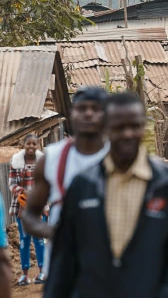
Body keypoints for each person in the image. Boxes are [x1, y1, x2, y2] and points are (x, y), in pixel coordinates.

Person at [45, 93, 168, 298]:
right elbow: (64, 256)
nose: (127, 134)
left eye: (134, 126)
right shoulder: (84, 185)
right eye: (119, 127)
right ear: (106, 128)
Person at [23, 87, 111, 277]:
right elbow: (29, 217)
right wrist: (56, 232)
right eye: (82, 108)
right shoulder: (52, 158)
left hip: (110, 266)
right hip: (63, 266)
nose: (88, 113)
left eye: (95, 108)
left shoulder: (120, 158)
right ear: (71, 114)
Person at [8, 135, 45, 286]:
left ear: (38, 145)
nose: (31, 146)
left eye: (34, 144)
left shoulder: (43, 162)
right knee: (24, 240)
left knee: (39, 240)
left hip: (39, 207)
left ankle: (42, 272)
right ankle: (24, 275)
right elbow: (11, 184)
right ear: (23, 145)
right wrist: (23, 193)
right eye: (28, 143)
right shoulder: (16, 162)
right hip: (22, 207)